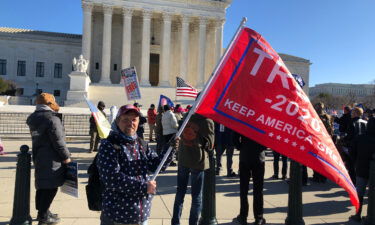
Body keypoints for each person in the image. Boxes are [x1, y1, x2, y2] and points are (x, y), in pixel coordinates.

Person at [97, 104, 176, 225]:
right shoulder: (109, 144)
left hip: (142, 214)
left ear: (138, 122)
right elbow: (112, 178)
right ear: (118, 122)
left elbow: (157, 166)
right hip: (118, 216)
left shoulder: (141, 143)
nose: (130, 123)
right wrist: (144, 187)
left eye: (134, 120)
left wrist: (170, 148)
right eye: (125, 120)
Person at [26, 93, 71, 225]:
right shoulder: (52, 119)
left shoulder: (34, 118)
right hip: (53, 159)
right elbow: (58, 142)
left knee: (42, 186)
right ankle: (44, 216)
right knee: (51, 187)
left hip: (39, 156)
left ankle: (43, 212)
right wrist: (66, 156)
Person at [171, 112, 214, 225]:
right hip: (197, 161)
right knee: (196, 196)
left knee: (180, 193)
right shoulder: (207, 121)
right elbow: (210, 145)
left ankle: (175, 222)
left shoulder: (186, 116)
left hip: (183, 159)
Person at [233, 134, 267, 225]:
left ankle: (243, 216)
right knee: (258, 189)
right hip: (259, 156)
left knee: (244, 189)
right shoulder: (262, 121)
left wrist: (241, 147)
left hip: (245, 156)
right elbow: (268, 138)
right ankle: (258, 217)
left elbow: (234, 137)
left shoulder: (245, 120)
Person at [349, 116, 375, 222]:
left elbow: (352, 153)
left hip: (361, 168)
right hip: (372, 169)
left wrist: (355, 162)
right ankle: (371, 216)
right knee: (372, 193)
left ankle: (358, 214)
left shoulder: (360, 137)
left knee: (360, 192)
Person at [344, 107, 368, 184]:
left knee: (351, 165)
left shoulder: (352, 122)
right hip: (363, 147)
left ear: (356, 113)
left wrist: (343, 139)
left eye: (352, 112)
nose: (351, 113)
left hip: (352, 146)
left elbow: (350, 135)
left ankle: (352, 181)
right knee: (360, 165)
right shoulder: (366, 122)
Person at [311, 102, 333, 183]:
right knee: (323, 159)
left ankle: (317, 176)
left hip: (317, 140)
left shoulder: (314, 116)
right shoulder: (328, 116)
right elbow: (331, 129)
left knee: (316, 159)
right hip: (325, 141)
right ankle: (323, 177)